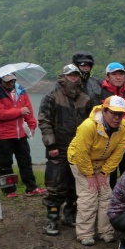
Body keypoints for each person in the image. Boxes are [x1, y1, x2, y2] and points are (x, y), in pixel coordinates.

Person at [67, 96, 125, 246]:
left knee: (106, 195)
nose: (117, 117)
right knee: (89, 195)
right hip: (80, 161)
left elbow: (118, 153)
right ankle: (85, 233)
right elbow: (81, 153)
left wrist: (103, 173)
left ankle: (105, 231)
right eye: (113, 113)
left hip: (102, 163)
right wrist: (89, 175)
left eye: (120, 114)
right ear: (104, 110)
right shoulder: (88, 126)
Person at [38, 64, 92, 236]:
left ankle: (69, 215)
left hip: (79, 148)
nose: (73, 78)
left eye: (76, 75)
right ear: (63, 76)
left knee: (75, 184)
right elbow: (44, 121)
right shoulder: (52, 96)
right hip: (59, 147)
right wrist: (51, 145)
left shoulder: (85, 98)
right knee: (55, 184)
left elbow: (92, 123)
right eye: (70, 75)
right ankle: (52, 218)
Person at [0, 73, 46, 198]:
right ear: (1, 81)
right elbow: (0, 114)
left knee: (25, 161)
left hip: (20, 133)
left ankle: (31, 188)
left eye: (12, 81)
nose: (10, 84)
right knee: (5, 163)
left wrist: (32, 124)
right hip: (2, 135)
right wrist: (19, 111)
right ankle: (9, 191)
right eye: (7, 82)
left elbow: (28, 110)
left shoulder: (21, 91)